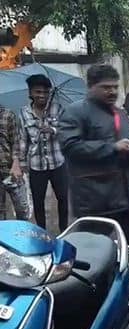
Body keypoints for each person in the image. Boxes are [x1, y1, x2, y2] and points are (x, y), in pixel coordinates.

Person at [59, 64, 129, 309]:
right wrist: (111, 147)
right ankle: (95, 304)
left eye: (115, 87)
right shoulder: (75, 113)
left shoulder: (120, 114)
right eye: (106, 88)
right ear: (90, 87)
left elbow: (128, 145)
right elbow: (70, 147)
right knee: (94, 254)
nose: (112, 92)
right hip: (96, 200)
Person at [19, 74, 67, 231]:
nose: (42, 95)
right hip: (36, 166)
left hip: (57, 163)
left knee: (63, 199)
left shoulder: (57, 108)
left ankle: (64, 231)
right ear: (31, 93)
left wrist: (52, 129)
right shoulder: (24, 112)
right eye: (38, 92)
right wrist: (22, 164)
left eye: (45, 92)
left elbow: (66, 131)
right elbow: (23, 139)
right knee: (38, 202)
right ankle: (42, 233)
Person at [0, 105, 29, 220]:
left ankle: (23, 231)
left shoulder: (7, 115)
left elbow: (16, 142)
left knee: (21, 206)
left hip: (10, 168)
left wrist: (16, 164)